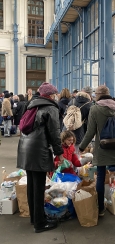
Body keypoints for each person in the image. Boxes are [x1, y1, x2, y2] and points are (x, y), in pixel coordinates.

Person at [79, 85, 115, 217]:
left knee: (100, 177)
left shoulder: (94, 109)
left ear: (98, 95)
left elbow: (90, 132)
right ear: (109, 94)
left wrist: (81, 147)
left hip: (101, 149)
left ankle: (101, 210)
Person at [17, 82, 64, 233]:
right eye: (54, 94)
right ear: (50, 95)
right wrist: (59, 152)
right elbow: (55, 133)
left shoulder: (32, 105)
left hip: (25, 149)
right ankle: (40, 223)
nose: (56, 96)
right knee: (38, 187)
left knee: (32, 185)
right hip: (38, 150)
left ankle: (35, 218)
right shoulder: (50, 107)